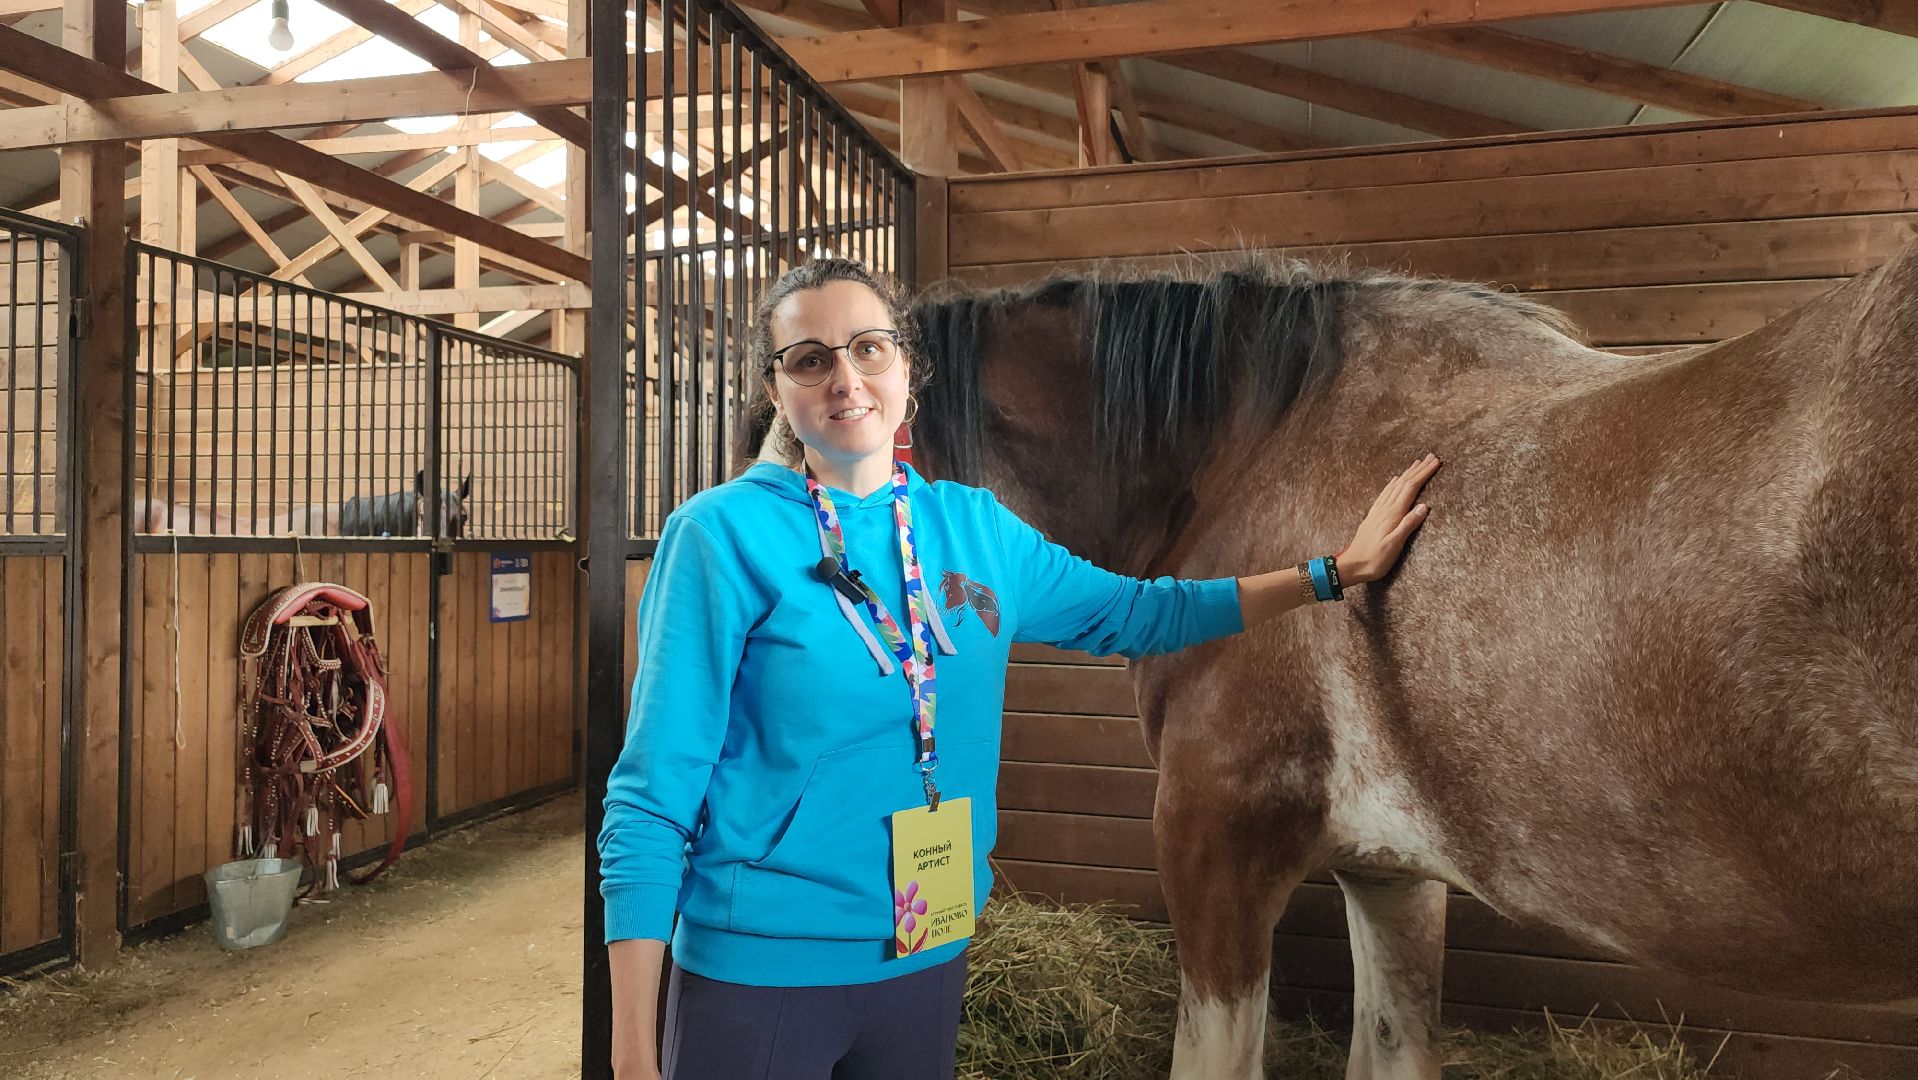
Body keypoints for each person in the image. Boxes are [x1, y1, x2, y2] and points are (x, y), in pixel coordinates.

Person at [600, 259, 1440, 1080]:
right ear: (776, 391)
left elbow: (1145, 612)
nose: (844, 378)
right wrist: (632, 1053)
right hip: (761, 969)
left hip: (923, 948)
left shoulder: (975, 528)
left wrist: (1330, 573)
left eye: (868, 347)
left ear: (906, 372)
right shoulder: (718, 537)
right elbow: (651, 798)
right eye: (810, 359)